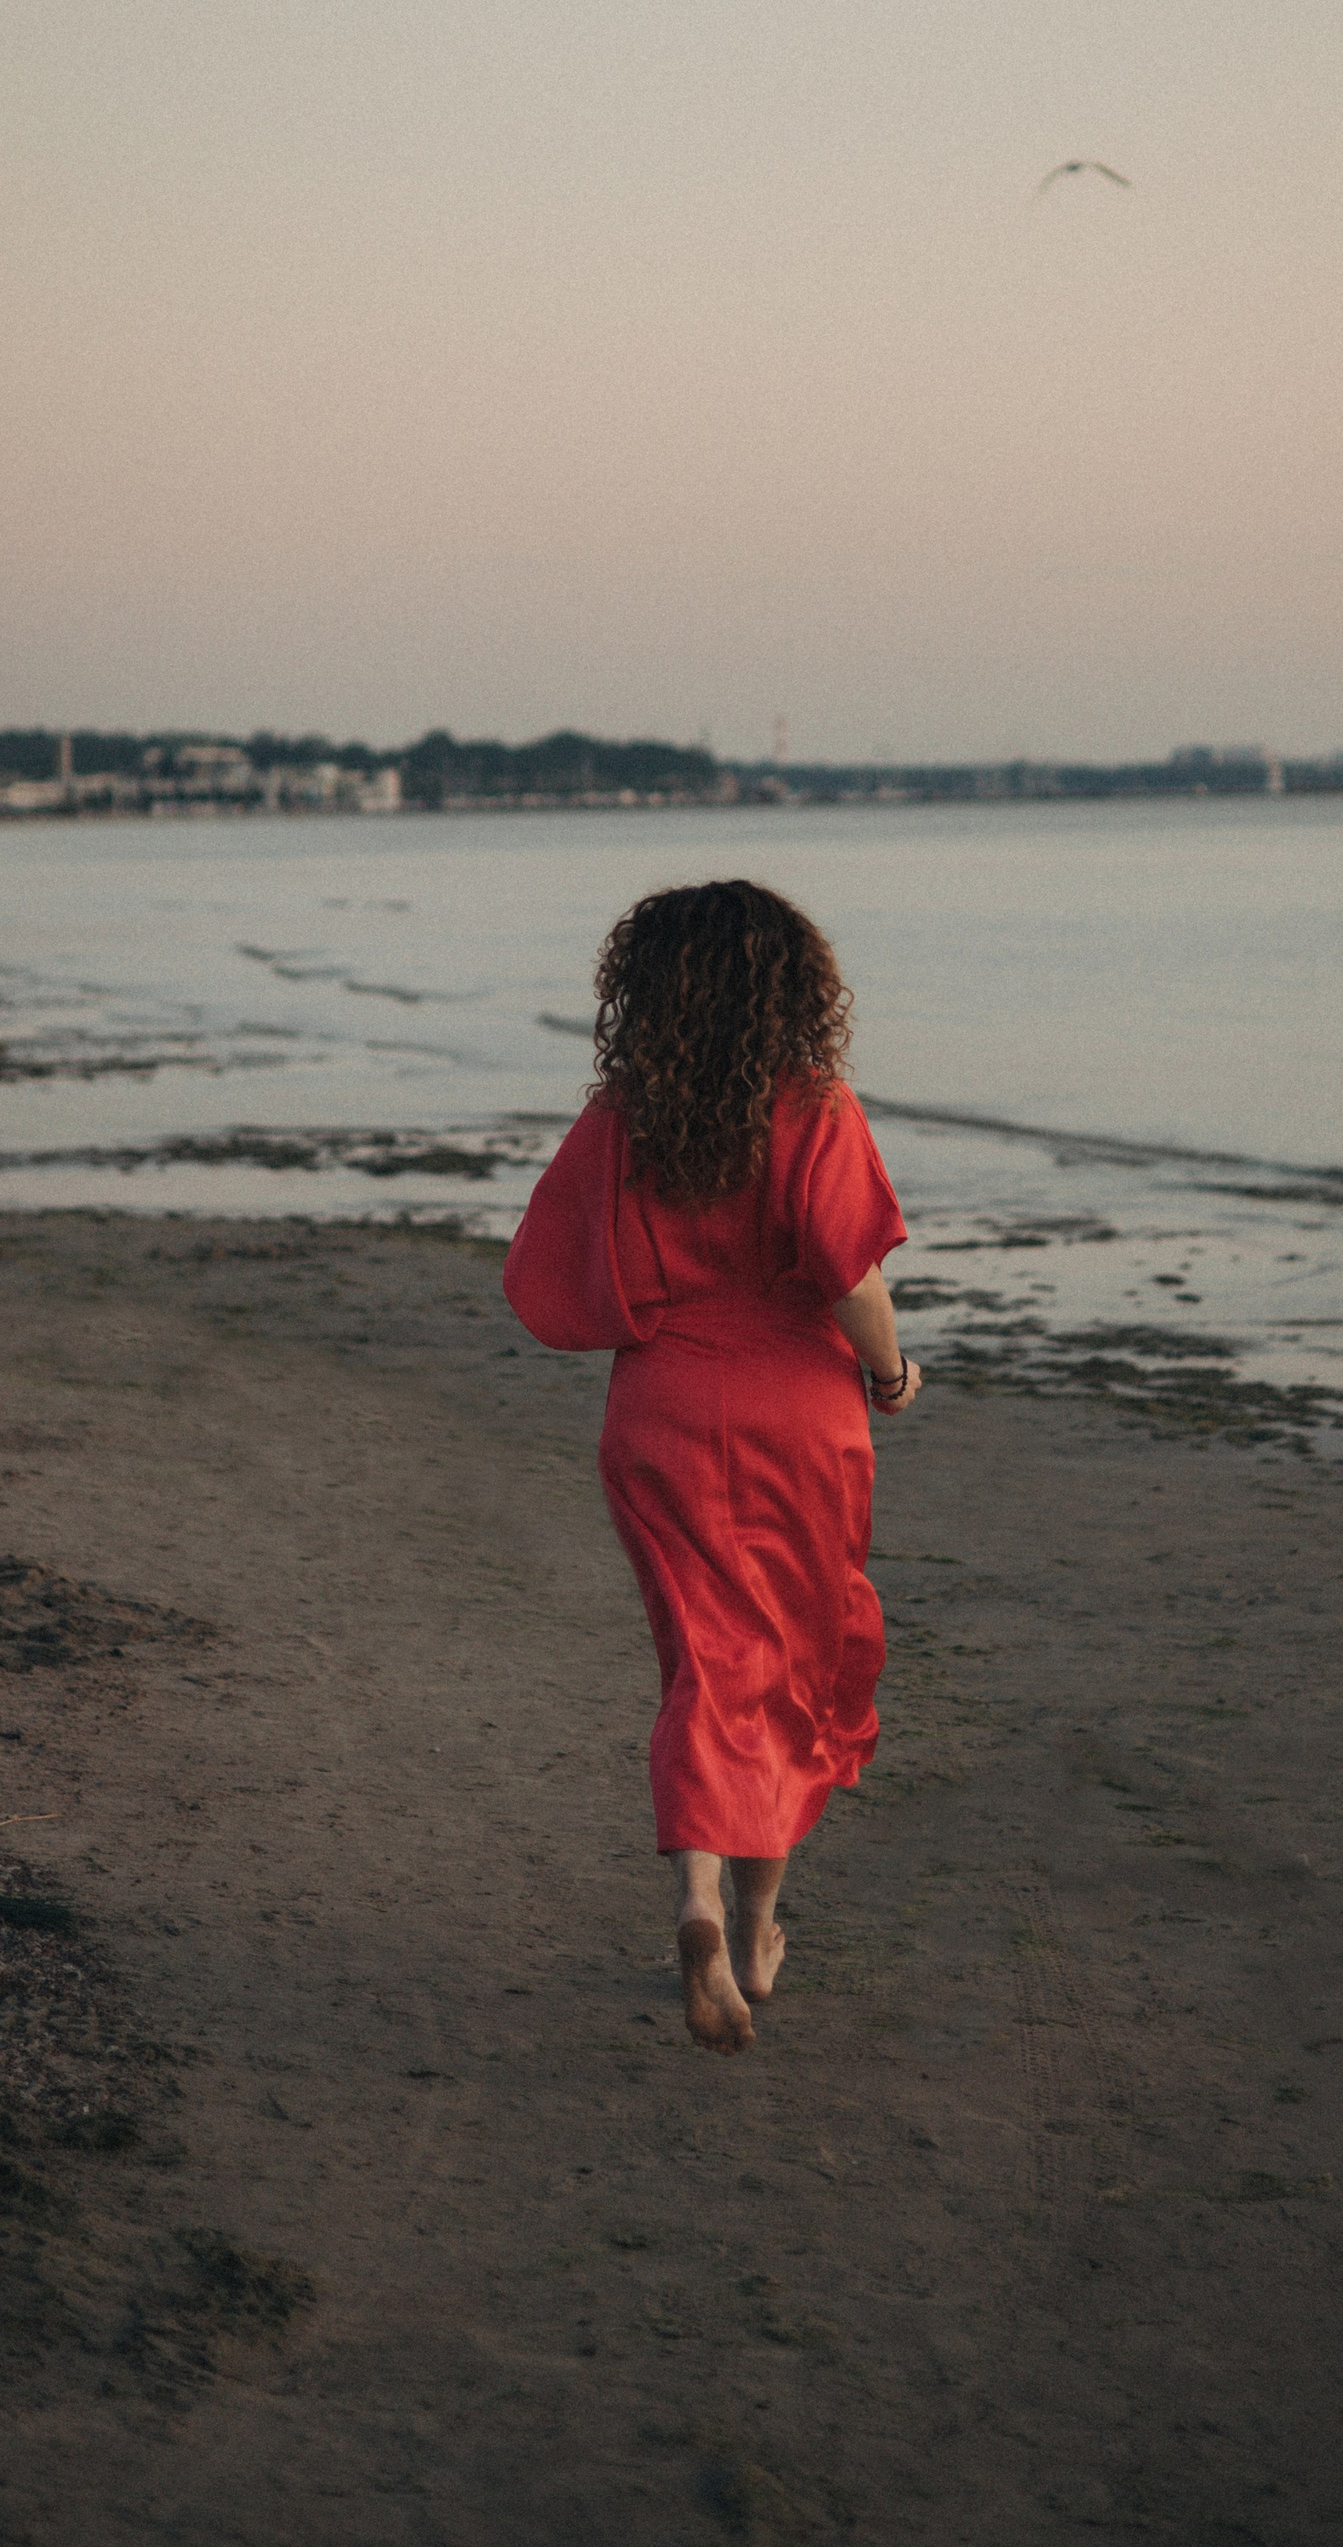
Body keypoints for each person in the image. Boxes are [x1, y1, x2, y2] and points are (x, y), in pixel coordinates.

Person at [503, 880, 920, 2053]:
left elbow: (542, 1268)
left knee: (705, 1658)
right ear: (794, 987)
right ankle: (755, 1930)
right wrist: (888, 1374)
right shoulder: (814, 1105)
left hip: (663, 1409)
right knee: (785, 1661)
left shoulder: (622, 1118)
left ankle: (691, 1898)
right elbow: (852, 1276)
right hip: (798, 1412)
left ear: (648, 990)